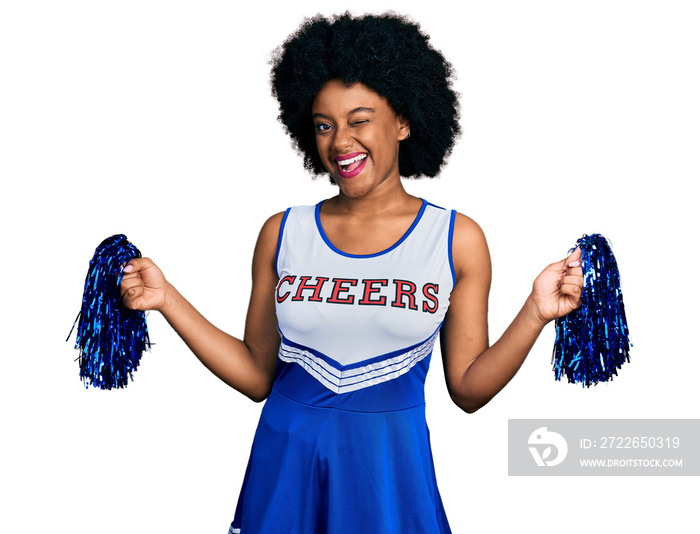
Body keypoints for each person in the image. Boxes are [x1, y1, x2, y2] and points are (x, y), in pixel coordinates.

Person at [120, 12, 583, 534]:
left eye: (359, 120)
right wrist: (168, 300)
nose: (340, 142)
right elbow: (255, 375)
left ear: (403, 121)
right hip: (285, 469)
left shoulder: (456, 239)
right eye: (324, 124)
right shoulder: (283, 232)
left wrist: (535, 314)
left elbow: (468, 389)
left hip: (386, 477)